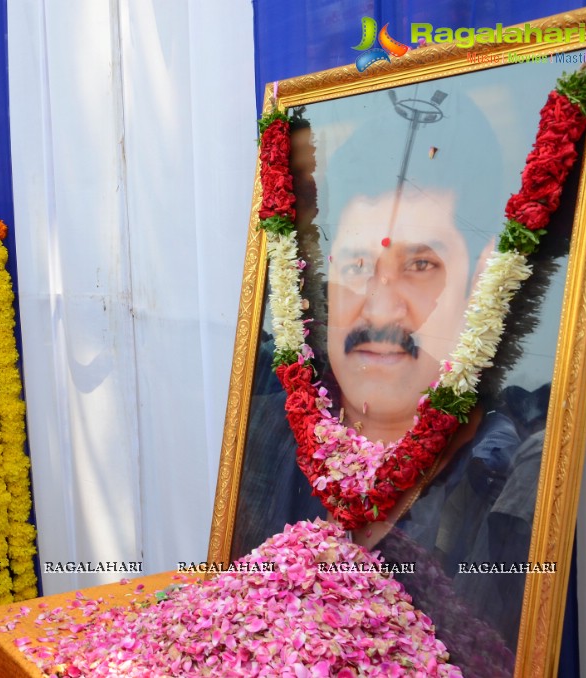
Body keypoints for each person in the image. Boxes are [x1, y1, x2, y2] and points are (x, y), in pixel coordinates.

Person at [231, 88, 561, 676]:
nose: (379, 309)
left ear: (484, 281)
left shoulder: (513, 479)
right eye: (357, 266)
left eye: (420, 265)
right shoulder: (261, 436)